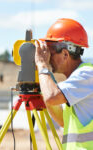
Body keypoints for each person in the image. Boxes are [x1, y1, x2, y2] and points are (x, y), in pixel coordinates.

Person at [35, 18, 93, 150]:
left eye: (50, 53)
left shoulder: (87, 74)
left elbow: (52, 97)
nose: (47, 57)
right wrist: (44, 86)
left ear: (65, 54)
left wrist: (42, 65)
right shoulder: (73, 83)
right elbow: (62, 120)